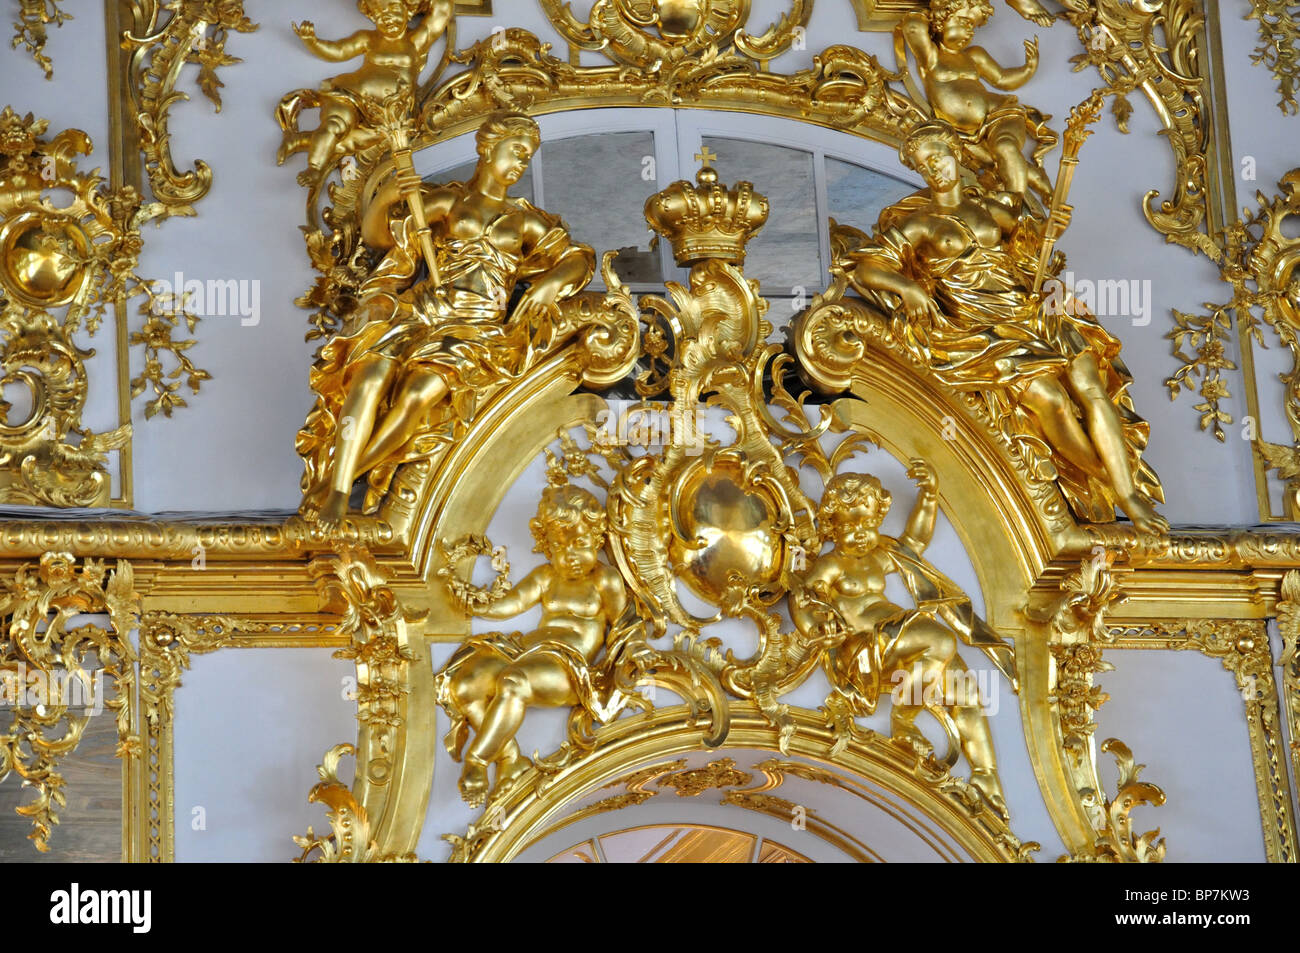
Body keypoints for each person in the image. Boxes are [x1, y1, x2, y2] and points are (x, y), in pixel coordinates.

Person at [838, 121, 1167, 532]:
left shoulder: (992, 209)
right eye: (924, 167)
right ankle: (1107, 479)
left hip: (1037, 311)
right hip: (986, 329)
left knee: (1091, 390)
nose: (933, 170)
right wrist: (906, 286)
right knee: (1052, 401)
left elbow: (1030, 246)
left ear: (955, 154)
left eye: (937, 158)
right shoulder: (918, 224)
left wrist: (1051, 228)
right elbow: (867, 267)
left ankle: (1129, 496)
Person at [298, 112, 596, 527]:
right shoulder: (445, 202)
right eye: (516, 151)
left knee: (418, 396)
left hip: (474, 329)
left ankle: (339, 484)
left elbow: (578, 259)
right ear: (487, 148)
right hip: (422, 312)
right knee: (368, 380)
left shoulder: (525, 219)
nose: (521, 163)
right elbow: (380, 239)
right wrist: (385, 199)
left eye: (527, 157)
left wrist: (548, 287)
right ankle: (340, 489)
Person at [791, 466, 1010, 817]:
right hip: (866, 647)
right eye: (848, 526)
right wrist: (816, 624)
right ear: (832, 525)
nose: (860, 534)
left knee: (962, 688)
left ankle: (986, 776)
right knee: (941, 641)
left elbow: (915, 542)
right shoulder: (831, 565)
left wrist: (929, 496)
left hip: (900, 638)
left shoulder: (879, 558)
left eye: (867, 524)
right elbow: (804, 599)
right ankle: (904, 719)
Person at [434, 485, 630, 807]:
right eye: (559, 546)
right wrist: (477, 606)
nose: (571, 556)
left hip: (567, 668)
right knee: (465, 684)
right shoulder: (546, 576)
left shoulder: (604, 579)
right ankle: (510, 759)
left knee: (513, 682)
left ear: (597, 538)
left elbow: (623, 626)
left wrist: (626, 665)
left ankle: (478, 761)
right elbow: (513, 603)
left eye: (580, 544)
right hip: (525, 652)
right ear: (547, 546)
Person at [899, 0, 1052, 204]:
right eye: (963, 22)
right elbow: (912, 26)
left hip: (999, 114)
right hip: (966, 134)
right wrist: (935, 8)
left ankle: (1015, 204)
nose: (968, 32)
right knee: (994, 163)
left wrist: (1028, 69)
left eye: (972, 26)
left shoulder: (974, 55)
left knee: (1005, 147)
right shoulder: (932, 57)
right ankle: (1042, 184)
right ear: (941, 22)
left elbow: (1001, 79)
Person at [286, 0, 453, 184]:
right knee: (334, 126)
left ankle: (299, 141)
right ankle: (315, 168)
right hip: (351, 95)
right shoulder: (368, 38)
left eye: (393, 9)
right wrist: (313, 42)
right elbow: (339, 50)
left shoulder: (416, 41)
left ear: (409, 11)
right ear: (373, 17)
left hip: (388, 113)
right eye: (380, 14)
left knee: (355, 142)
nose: (387, 17)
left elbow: (443, 10)